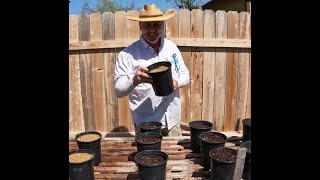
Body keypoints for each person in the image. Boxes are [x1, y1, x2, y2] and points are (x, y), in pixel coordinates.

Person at [113, 4, 190, 136]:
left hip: (173, 121)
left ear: (162, 25)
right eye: (147, 25)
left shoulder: (171, 48)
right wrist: (134, 80)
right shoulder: (127, 55)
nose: (152, 30)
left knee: (175, 155)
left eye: (156, 25)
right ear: (140, 27)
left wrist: (176, 82)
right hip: (146, 124)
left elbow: (185, 74)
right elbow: (119, 90)